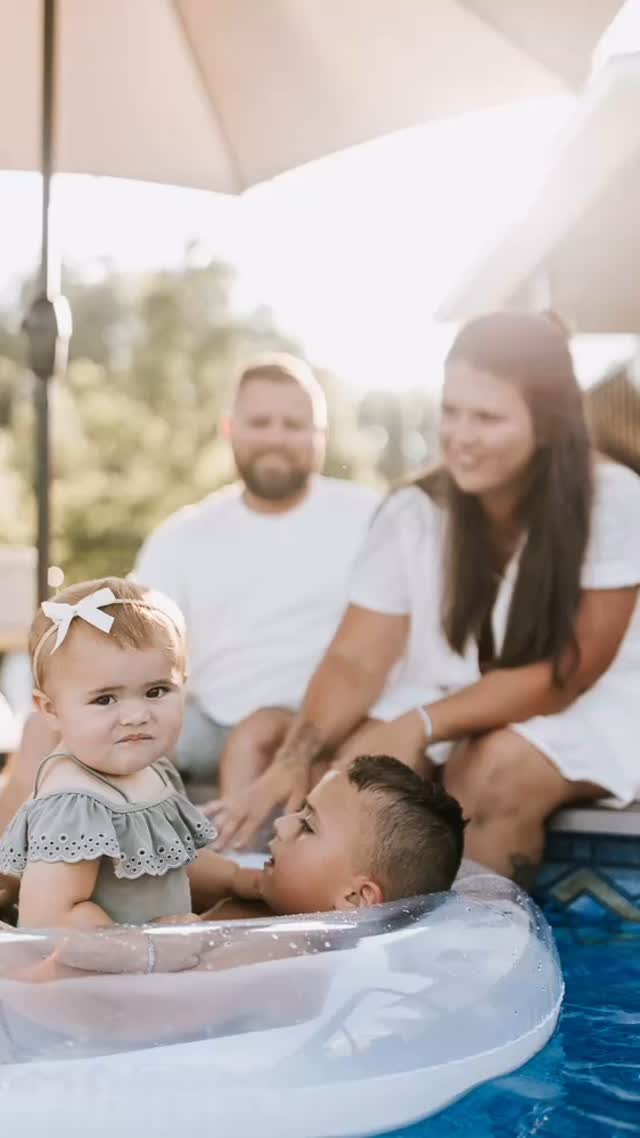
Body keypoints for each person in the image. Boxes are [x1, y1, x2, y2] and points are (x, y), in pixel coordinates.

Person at [209, 311, 640, 886]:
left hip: (593, 704)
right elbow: (356, 658)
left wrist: (423, 724)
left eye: (486, 417)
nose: (460, 436)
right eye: (451, 412)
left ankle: (479, 955)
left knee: (491, 768)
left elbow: (566, 674)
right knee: (348, 782)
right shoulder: (416, 511)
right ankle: (309, 939)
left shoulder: (612, 500)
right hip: (446, 693)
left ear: (549, 424)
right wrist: (293, 757)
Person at [132, 352, 379, 793]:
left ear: (321, 435)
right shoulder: (183, 534)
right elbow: (132, 644)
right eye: (260, 423)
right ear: (230, 429)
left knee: (255, 739)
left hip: (325, 720)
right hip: (205, 720)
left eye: (294, 425)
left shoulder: (371, 520)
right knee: (53, 730)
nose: (276, 438)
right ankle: (16, 859)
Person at [0, 577, 260, 931]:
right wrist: (148, 943)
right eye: (105, 699)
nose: (136, 715)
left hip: (154, 963)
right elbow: (51, 918)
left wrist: (238, 880)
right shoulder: (74, 804)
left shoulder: (152, 771)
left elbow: (174, 858)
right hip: (91, 974)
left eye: (156, 691)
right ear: (50, 710)